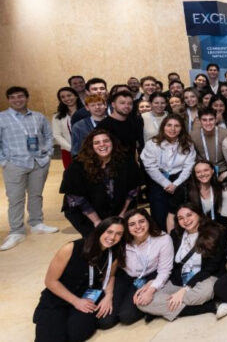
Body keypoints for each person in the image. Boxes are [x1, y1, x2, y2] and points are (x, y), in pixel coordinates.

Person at [33, 217, 124, 342]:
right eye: (109, 232)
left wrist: (108, 295)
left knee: (77, 334)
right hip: (58, 298)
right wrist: (76, 301)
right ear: (100, 231)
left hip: (87, 298)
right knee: (50, 338)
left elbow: (110, 276)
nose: (112, 237)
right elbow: (50, 281)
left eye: (118, 234)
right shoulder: (71, 248)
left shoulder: (114, 254)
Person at [138, 204, 225, 320]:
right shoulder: (175, 235)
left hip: (205, 278)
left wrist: (184, 290)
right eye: (181, 218)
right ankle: (207, 307)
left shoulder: (215, 232)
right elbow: (166, 262)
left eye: (189, 215)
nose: (186, 220)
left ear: (199, 214)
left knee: (204, 292)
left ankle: (162, 309)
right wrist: (153, 282)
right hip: (179, 280)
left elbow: (212, 267)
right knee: (142, 301)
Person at [0, 86, 58, 251]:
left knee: (36, 195)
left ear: (26, 98)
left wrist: (48, 153)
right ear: (8, 100)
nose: (17, 100)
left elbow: (48, 135)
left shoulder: (38, 116)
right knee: (15, 198)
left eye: (20, 96)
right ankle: (16, 231)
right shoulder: (2, 118)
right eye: (12, 97)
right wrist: (4, 161)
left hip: (38, 162)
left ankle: (36, 223)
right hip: (15, 163)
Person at [61, 130, 141, 237]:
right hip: (85, 213)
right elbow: (76, 198)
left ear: (112, 143)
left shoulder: (126, 161)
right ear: (91, 146)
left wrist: (122, 215)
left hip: (118, 209)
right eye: (97, 142)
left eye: (106, 141)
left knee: (119, 238)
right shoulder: (77, 166)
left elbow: (132, 190)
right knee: (95, 240)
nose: (102, 144)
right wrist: (97, 221)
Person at [105, 209, 173, 327]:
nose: (138, 227)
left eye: (141, 221)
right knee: (105, 321)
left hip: (148, 276)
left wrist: (151, 290)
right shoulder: (122, 240)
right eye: (132, 224)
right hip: (125, 276)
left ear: (148, 221)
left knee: (126, 316)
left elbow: (164, 270)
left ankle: (150, 311)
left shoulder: (163, 239)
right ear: (127, 227)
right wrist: (108, 296)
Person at [140, 114, 197, 232]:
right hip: (157, 179)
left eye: (177, 126)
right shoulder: (152, 143)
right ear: (163, 127)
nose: (172, 129)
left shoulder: (188, 144)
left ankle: (178, 237)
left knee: (178, 213)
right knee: (159, 213)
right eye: (169, 125)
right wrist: (165, 183)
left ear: (182, 128)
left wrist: (175, 184)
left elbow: (188, 167)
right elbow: (150, 166)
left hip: (180, 180)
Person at [97, 90, 144, 156]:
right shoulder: (104, 125)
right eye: (122, 103)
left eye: (130, 103)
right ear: (113, 105)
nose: (126, 106)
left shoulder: (135, 122)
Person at [53, 86, 81, 168]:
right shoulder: (57, 116)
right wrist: (71, 148)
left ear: (76, 96)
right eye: (63, 97)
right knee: (71, 173)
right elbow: (56, 134)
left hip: (87, 150)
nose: (67, 98)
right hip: (67, 151)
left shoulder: (86, 112)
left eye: (69, 95)